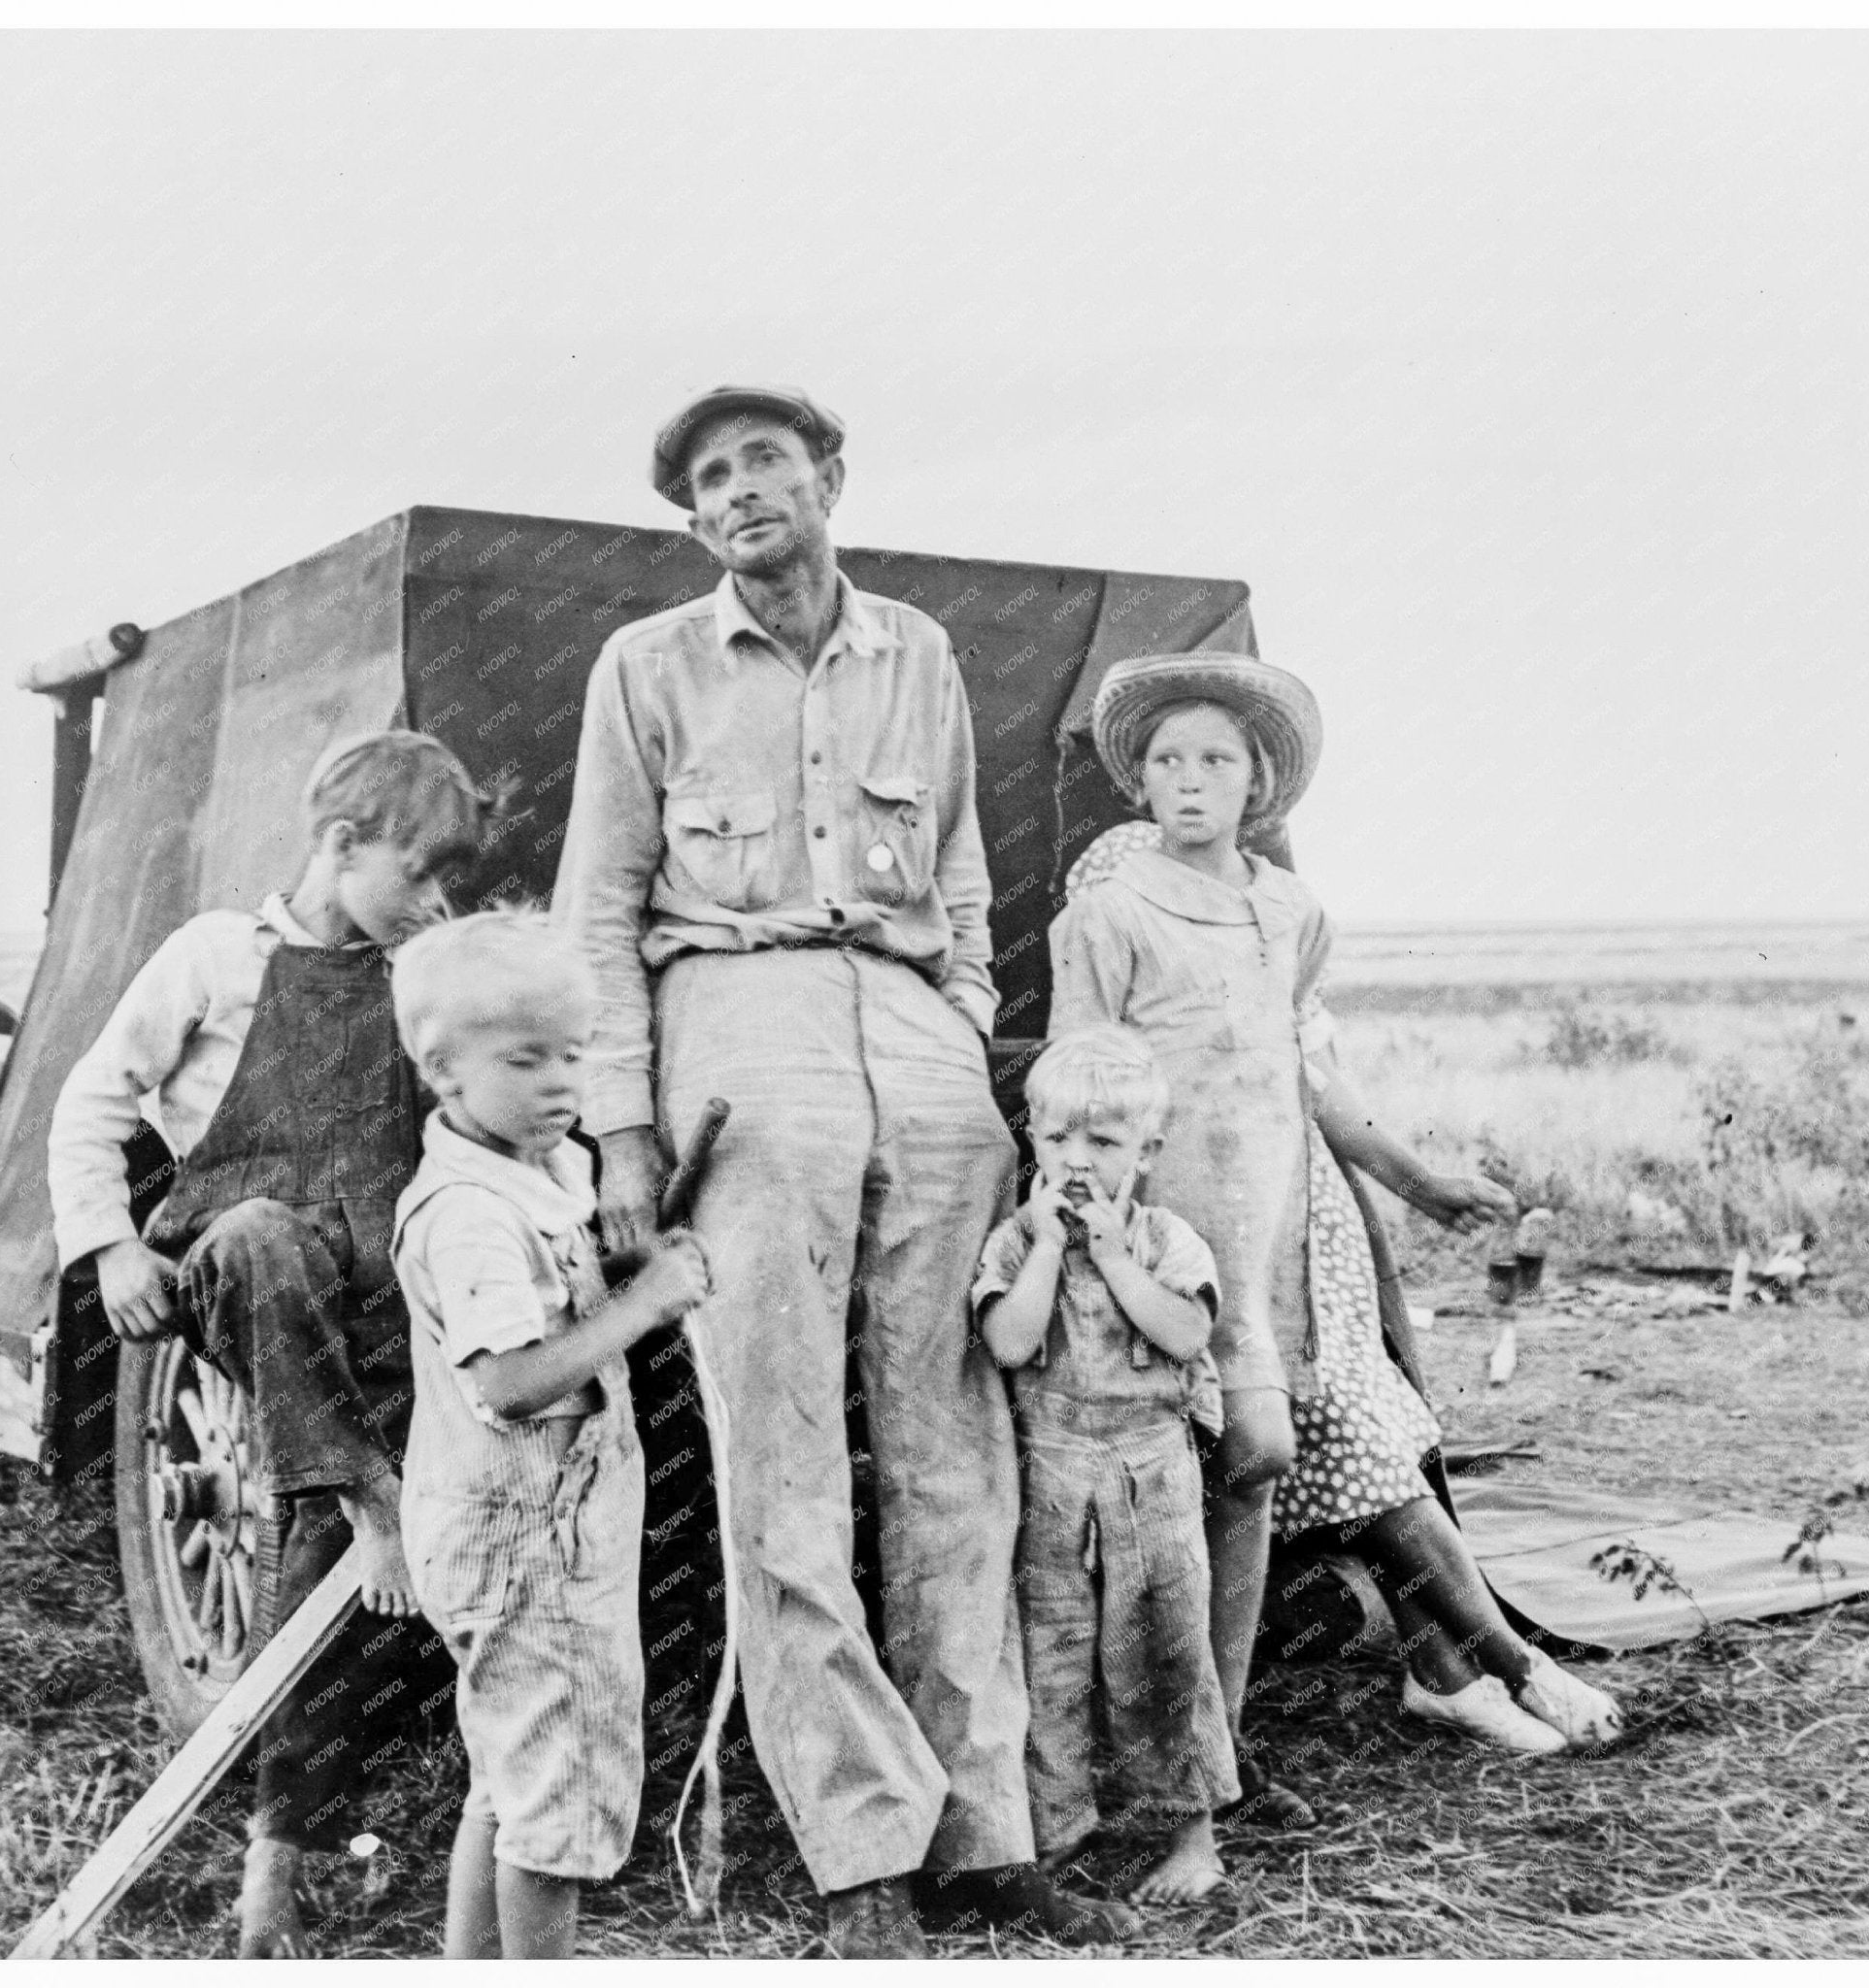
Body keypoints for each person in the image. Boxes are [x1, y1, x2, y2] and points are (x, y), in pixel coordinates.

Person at [551, 384, 1135, 1957]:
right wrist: (620, 1124)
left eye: (763, 462)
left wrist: (958, 1021)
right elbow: (596, 906)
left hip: (915, 1041)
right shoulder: (647, 667)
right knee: (783, 1450)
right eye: (709, 480)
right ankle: (859, 1835)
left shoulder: (916, 652)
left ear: (828, 478)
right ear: (692, 520)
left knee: (958, 1449)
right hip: (739, 1031)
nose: (739, 492)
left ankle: (983, 1822)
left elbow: (956, 863)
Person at [1051, 652, 1624, 1758]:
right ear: (1137, 778)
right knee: (1244, 1454)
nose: (1189, 778)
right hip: (1184, 1222)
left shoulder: (1290, 911)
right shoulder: (1112, 890)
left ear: (1257, 780)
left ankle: (1469, 1669)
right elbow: (1093, 1076)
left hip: (1297, 1232)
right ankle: (1465, 1673)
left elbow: (1308, 1075)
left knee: (1338, 1446)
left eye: (1216, 758)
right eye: (1167, 758)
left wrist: (1417, 1180)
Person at [47, 730, 499, 1954]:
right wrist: (109, 1248)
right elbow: (91, 1098)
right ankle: (366, 1486)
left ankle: (280, 1850)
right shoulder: (212, 954)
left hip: (370, 1309)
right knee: (263, 1233)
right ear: (340, 845)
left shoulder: (413, 975)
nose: (433, 903)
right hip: (233, 1273)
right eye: (416, 874)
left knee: (316, 1545)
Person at [388, 911, 710, 1958]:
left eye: (574, 1053)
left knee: (510, 1776)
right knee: (558, 1801)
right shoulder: (472, 1209)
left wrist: (615, 1276)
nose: (562, 1081)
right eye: (526, 1058)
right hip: (528, 1541)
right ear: (441, 1069)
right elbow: (514, 1380)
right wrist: (646, 1303)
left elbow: (540, 1308)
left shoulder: (532, 1169)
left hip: (523, 1528)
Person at [974, 1027, 1243, 1906]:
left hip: (1151, 1471)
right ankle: (1055, 1832)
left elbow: (1186, 1333)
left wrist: (1115, 1257)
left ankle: (1191, 1833)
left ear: (1147, 1152)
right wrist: (1052, 1248)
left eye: (1104, 1141)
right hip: (1050, 1472)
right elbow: (1010, 1343)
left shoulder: (1168, 1242)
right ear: (1033, 1140)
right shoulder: (1016, 1247)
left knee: (1168, 1646)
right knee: (1050, 1651)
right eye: (1058, 1139)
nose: (1077, 1160)